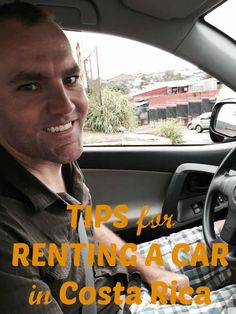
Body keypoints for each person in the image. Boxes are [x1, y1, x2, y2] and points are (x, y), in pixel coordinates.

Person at [0, 2, 235, 313]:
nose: (65, 106)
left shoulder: (52, 157)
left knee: (223, 235)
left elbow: (87, 223)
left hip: (118, 281)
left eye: (70, 80)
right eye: (30, 86)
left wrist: (150, 271)